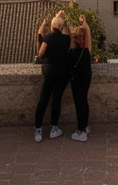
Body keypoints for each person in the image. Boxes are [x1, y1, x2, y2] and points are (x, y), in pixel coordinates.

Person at [33, 11, 71, 142]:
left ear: (52, 26)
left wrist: (40, 35)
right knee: (56, 99)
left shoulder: (48, 38)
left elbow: (41, 53)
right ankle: (54, 128)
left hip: (49, 72)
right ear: (61, 27)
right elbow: (67, 34)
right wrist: (62, 19)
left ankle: (38, 129)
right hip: (62, 73)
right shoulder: (67, 39)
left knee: (43, 99)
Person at [66, 13, 93, 142]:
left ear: (75, 39)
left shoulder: (72, 52)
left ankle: (81, 131)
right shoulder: (87, 50)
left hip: (77, 79)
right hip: (87, 77)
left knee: (79, 103)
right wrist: (84, 23)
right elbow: (88, 36)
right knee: (84, 101)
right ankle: (85, 126)